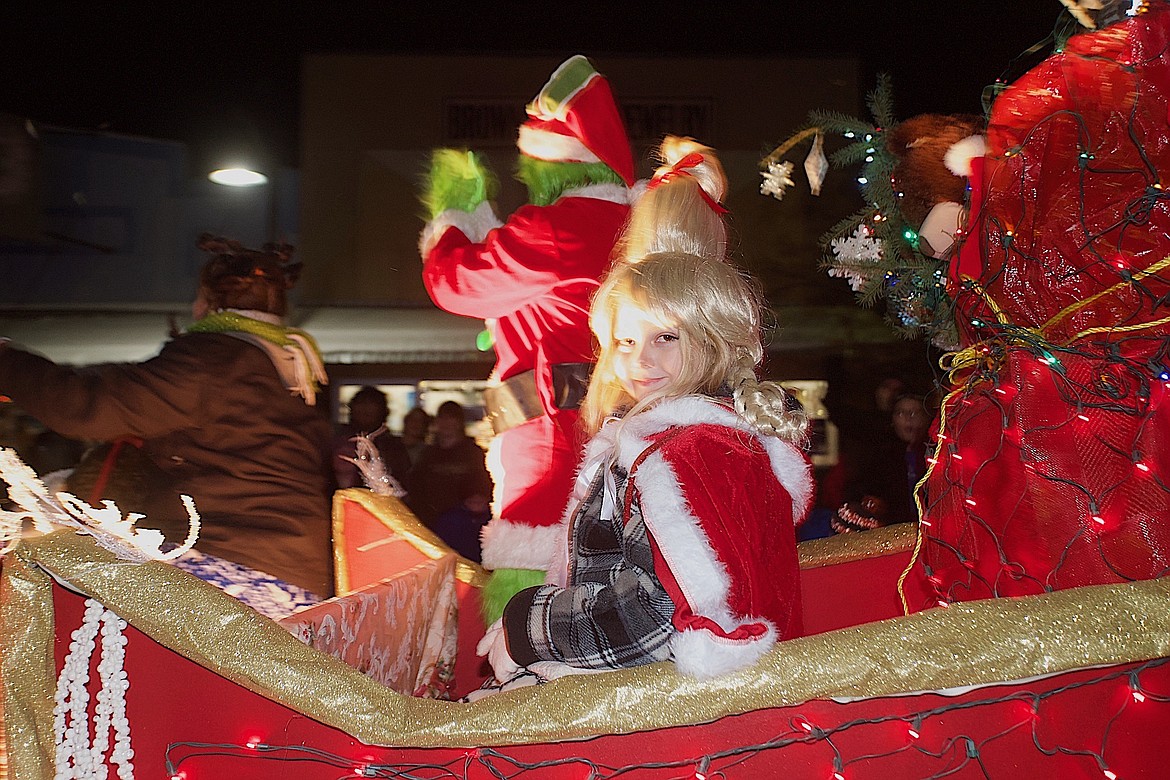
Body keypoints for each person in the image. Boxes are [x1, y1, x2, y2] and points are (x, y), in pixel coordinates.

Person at [476, 141, 812, 686]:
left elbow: (658, 616)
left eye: (664, 337)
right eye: (625, 340)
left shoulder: (686, 454)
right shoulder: (689, 442)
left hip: (673, 726)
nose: (640, 360)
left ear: (712, 339)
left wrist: (526, 629)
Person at [0, 234, 335, 617]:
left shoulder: (216, 358)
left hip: (233, 563)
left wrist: (8, 364)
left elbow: (89, 406)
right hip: (290, 568)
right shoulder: (285, 365)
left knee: (50, 601)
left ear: (210, 303)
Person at [418, 55, 637, 620]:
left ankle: (526, 687)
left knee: (534, 566)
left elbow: (457, 283)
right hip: (617, 424)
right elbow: (526, 288)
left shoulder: (559, 228)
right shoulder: (630, 226)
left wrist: (453, 214)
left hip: (553, 435)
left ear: (551, 166)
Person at [404, 400, 493, 560]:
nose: (446, 423)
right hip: (430, 523)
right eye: (442, 418)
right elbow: (416, 486)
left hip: (464, 525)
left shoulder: (473, 453)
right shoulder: (428, 454)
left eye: (451, 418)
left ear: (459, 422)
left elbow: (483, 484)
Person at [831, 393, 931, 532]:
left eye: (915, 413)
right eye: (900, 413)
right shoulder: (879, 456)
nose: (908, 418)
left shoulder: (936, 454)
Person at [333, 386, 411, 491]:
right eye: (361, 403)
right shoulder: (339, 439)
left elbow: (401, 482)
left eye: (371, 404)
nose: (365, 408)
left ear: (382, 410)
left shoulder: (393, 446)